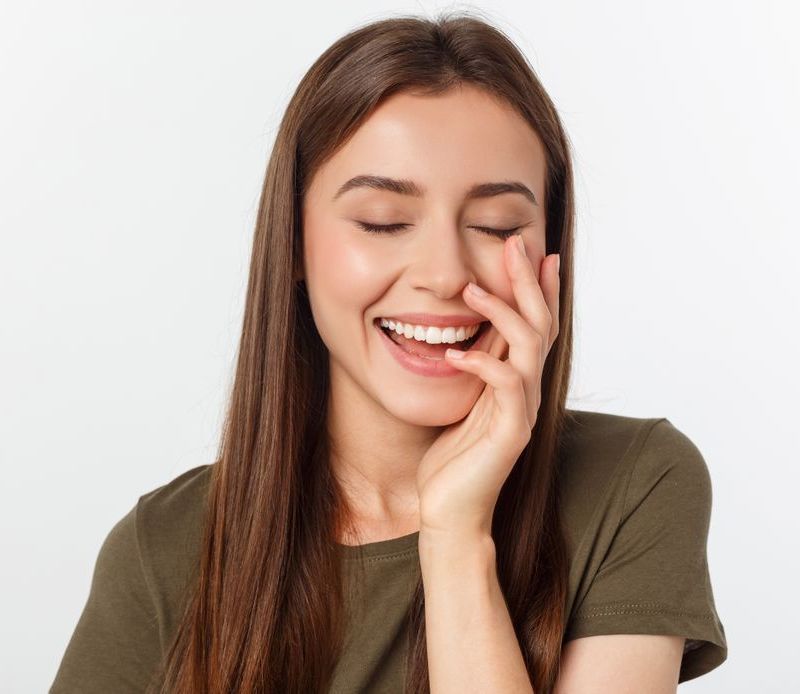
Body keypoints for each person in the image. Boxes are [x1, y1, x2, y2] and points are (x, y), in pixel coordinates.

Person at [50, 10, 727, 694]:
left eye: (496, 226)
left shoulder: (634, 485)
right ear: (294, 244)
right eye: (383, 222)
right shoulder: (164, 550)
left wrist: (457, 539)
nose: (442, 273)